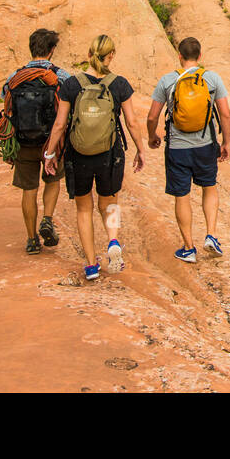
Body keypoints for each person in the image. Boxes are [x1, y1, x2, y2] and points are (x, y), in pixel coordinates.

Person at [42, 34, 146, 281]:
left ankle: (90, 265)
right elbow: (131, 122)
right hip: (110, 153)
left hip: (79, 154)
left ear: (89, 54)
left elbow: (59, 124)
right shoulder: (119, 84)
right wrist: (140, 149)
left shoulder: (71, 85)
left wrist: (50, 153)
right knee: (109, 202)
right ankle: (112, 240)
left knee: (84, 208)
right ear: (111, 56)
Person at [147, 37, 230, 262]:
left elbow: (152, 116)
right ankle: (211, 235)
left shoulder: (168, 81)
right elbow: (225, 113)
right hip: (205, 145)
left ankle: (188, 248)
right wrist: (226, 142)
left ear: (179, 56)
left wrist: (152, 136)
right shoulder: (212, 78)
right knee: (209, 187)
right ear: (200, 56)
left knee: (182, 196)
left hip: (177, 148)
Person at [1, 28, 70, 255]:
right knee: (52, 181)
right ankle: (47, 219)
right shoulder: (61, 77)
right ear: (51, 51)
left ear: (31, 48)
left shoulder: (15, 78)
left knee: (28, 189)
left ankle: (31, 240)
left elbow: (5, 101)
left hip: (23, 142)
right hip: (52, 142)